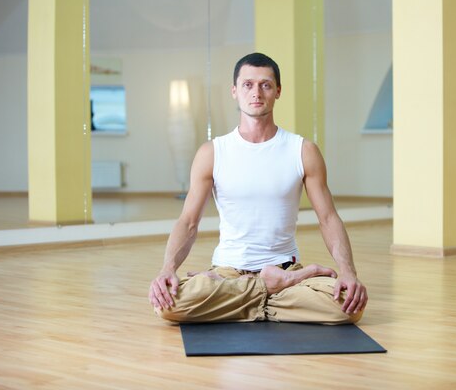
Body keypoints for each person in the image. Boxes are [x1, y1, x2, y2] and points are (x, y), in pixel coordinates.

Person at [148, 52, 368, 324]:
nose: (256, 92)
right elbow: (188, 221)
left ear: (278, 91)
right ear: (234, 91)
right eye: (248, 85)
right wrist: (167, 269)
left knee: (349, 307)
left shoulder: (303, 150)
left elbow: (328, 217)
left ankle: (244, 298)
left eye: (265, 85)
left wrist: (348, 271)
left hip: (283, 268)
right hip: (230, 271)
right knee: (167, 306)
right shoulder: (212, 152)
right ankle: (271, 290)